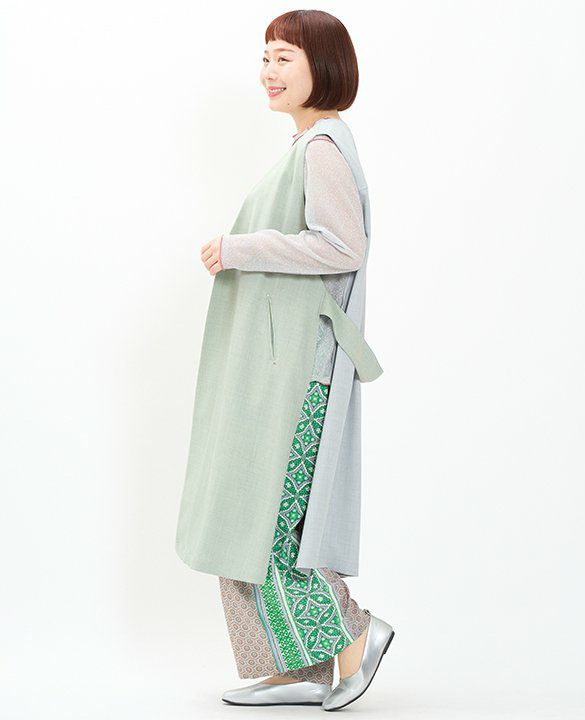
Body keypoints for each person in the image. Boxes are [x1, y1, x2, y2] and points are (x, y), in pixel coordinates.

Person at [175, 10, 394, 711]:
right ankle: (295, 663)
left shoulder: (321, 149)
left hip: (298, 370)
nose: (268, 72)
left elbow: (342, 246)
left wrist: (240, 248)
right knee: (245, 511)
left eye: (283, 58)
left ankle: (354, 638)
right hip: (281, 364)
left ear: (320, 66)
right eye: (265, 57)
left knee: (267, 517)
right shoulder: (306, 146)